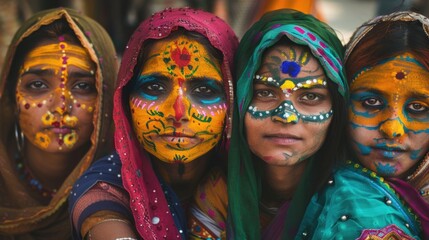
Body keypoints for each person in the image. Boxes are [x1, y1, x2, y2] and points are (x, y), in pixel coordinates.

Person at [68, 7, 238, 240]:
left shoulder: (250, 182)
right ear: (125, 99)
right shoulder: (104, 188)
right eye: (154, 88)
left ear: (233, 101)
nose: (178, 113)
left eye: (204, 90)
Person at [297, 11, 429, 239]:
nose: (392, 129)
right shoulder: (356, 210)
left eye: (418, 108)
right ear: (342, 103)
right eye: (372, 102)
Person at [226, 9, 348, 239]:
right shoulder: (215, 193)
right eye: (264, 93)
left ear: (337, 109)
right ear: (238, 100)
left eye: (311, 97)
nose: (286, 116)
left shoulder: (355, 207)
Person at [0, 7, 117, 240]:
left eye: (82, 86)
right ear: (11, 97)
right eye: (37, 85)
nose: (61, 106)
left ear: (107, 96)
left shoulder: (126, 189)